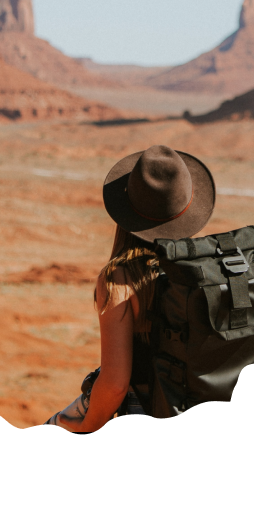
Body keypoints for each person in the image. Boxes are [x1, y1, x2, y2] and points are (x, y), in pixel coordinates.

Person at [44, 144, 215, 433]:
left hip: (147, 419)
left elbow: (115, 384)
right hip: (206, 415)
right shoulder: (205, 266)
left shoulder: (121, 278)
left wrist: (80, 425)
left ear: (125, 213)